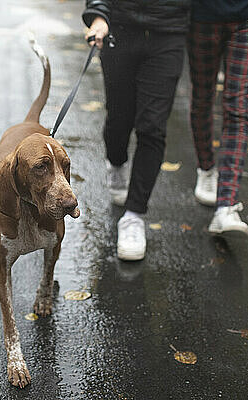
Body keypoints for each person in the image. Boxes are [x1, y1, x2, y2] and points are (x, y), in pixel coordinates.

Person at [82, 0, 190, 260]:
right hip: (120, 28)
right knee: (119, 120)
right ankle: (116, 164)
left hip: (168, 33)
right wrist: (99, 15)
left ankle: (133, 217)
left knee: (152, 127)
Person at [188, 0, 248, 235]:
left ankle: (226, 206)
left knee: (238, 107)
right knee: (203, 99)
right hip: (202, 15)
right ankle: (206, 169)